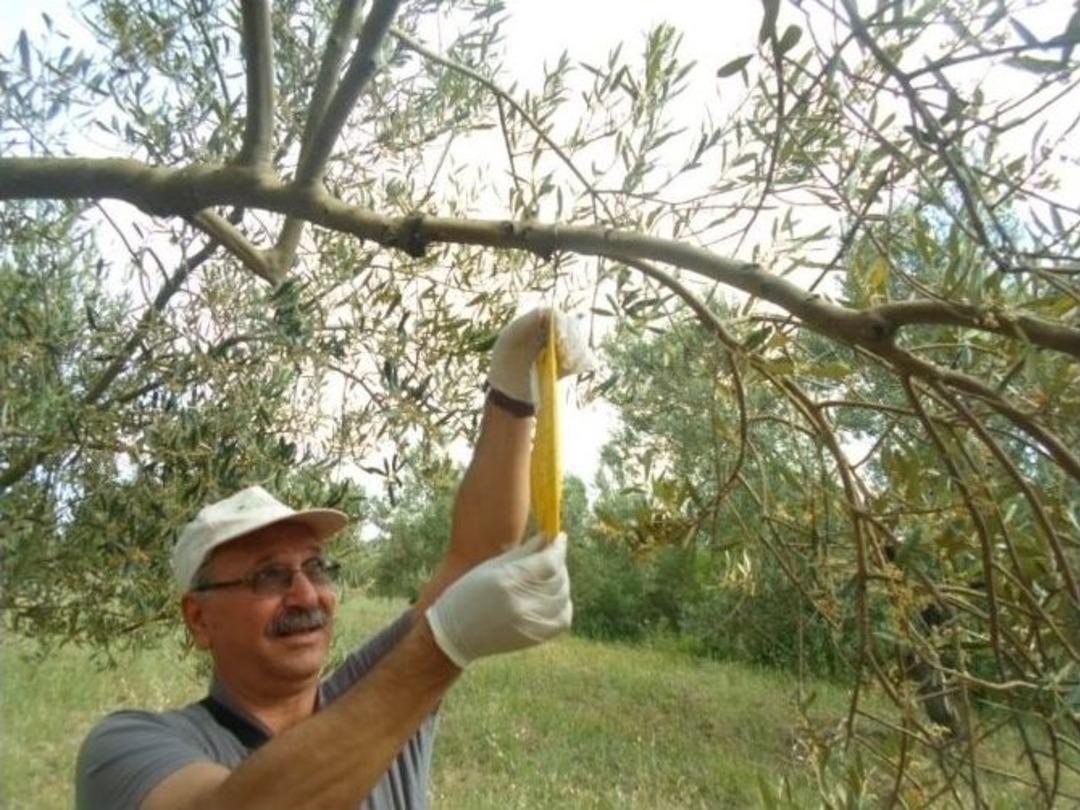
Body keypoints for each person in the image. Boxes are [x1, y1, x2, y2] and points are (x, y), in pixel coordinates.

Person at [75, 308, 588, 810]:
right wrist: (441, 648)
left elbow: (475, 558)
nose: (305, 595)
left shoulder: (378, 690)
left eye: (316, 567)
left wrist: (512, 392)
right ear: (199, 618)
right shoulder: (127, 750)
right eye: (269, 576)